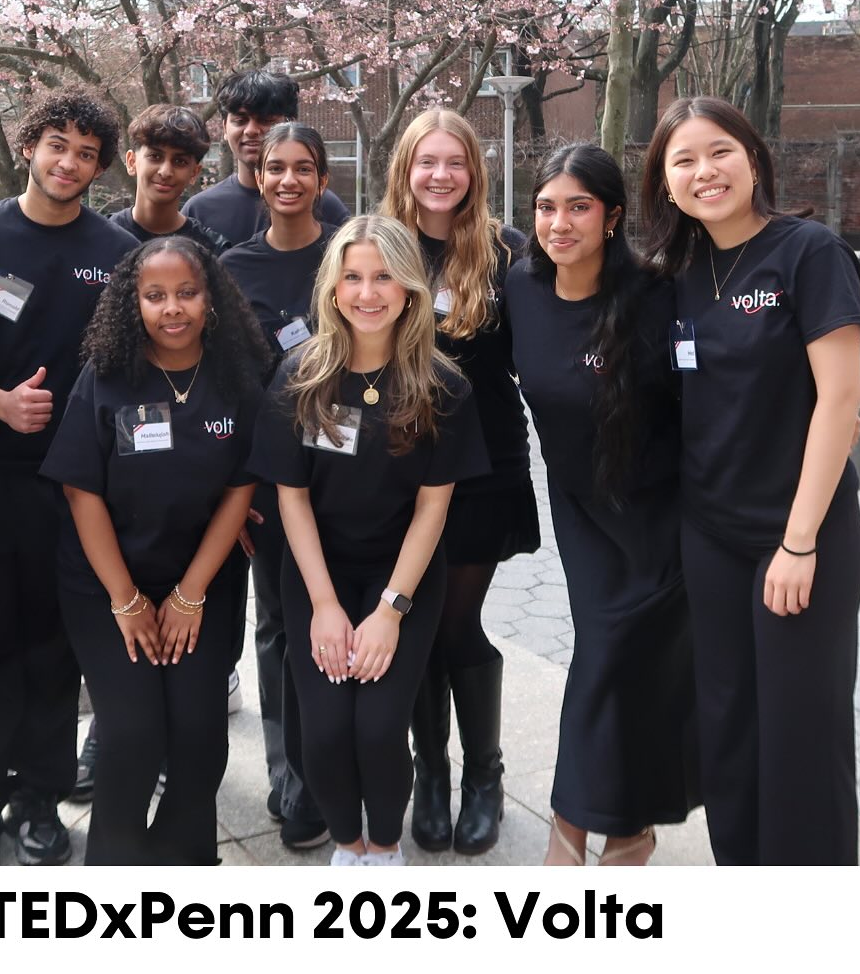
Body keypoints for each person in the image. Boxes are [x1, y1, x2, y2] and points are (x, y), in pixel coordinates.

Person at [641, 97, 860, 865]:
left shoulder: (809, 252)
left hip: (801, 536)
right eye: (684, 160)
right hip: (711, 535)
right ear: (664, 183)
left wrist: (799, 543)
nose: (704, 172)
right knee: (728, 723)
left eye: (720, 152)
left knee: (802, 729)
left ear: (754, 159)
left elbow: (841, 400)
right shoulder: (678, 273)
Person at [249, 216, 490, 865]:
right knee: (324, 734)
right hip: (317, 573)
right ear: (332, 289)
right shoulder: (300, 374)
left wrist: (390, 610)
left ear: (409, 288)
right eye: (352, 276)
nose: (367, 291)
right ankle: (348, 847)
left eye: (383, 275)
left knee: (379, 728)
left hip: (402, 578)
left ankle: (383, 849)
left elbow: (433, 509)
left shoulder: (444, 385)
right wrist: (325, 607)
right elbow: (290, 497)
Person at [0, 87, 135, 866]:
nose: (70, 162)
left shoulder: (115, 251)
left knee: (58, 649)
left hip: (77, 490)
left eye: (87, 153)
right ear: (29, 147)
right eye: (58, 145)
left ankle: (39, 797)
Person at [39, 237, 268, 863]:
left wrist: (190, 595)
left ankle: (183, 869)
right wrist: (129, 600)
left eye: (188, 293)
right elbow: (80, 490)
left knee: (199, 738)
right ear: (131, 302)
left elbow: (240, 487)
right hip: (107, 585)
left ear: (212, 300)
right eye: (155, 295)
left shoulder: (236, 375)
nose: (173, 308)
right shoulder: (108, 374)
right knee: (134, 734)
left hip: (202, 582)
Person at [503, 143, 698, 866]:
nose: (559, 222)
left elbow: (705, 400)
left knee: (626, 665)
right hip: (583, 511)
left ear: (612, 217)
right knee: (610, 660)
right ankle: (616, 827)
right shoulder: (520, 289)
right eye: (546, 207)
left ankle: (582, 830)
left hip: (663, 514)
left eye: (578, 207)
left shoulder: (655, 295)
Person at [379, 108, 538, 854]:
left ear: (474, 170)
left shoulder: (507, 252)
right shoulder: (378, 248)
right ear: (404, 168)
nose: (440, 175)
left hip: (482, 458)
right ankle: (429, 773)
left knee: (454, 622)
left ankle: (483, 775)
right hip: (397, 461)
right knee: (412, 620)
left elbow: (541, 354)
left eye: (455, 162)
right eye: (426, 161)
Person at [222, 123, 339, 851]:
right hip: (270, 476)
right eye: (275, 168)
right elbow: (229, 387)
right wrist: (231, 491)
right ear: (258, 177)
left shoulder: (352, 253)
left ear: (323, 178)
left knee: (342, 620)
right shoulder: (234, 267)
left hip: (356, 473)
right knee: (278, 628)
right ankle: (294, 777)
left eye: (303, 167)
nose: (288, 179)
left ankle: (341, 764)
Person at [182, 69, 350, 246]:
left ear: (289, 125)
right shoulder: (199, 211)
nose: (251, 130)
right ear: (224, 128)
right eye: (240, 121)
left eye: (265, 120)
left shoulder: (327, 208)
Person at [110, 103, 230, 256]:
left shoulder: (212, 251)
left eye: (180, 162)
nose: (165, 172)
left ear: (194, 173)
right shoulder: (101, 237)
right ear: (131, 162)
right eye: (155, 157)